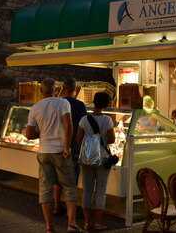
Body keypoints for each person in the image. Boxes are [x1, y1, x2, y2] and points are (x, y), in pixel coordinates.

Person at [25, 78, 80, 233]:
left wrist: (41, 133)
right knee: (69, 187)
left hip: (44, 152)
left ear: (41, 91)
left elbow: (29, 134)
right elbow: (68, 125)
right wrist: (66, 147)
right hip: (60, 152)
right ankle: (71, 224)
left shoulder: (35, 107)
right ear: (56, 90)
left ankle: (49, 227)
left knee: (45, 190)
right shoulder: (63, 103)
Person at [76, 92, 115, 231]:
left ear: (94, 102)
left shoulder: (84, 119)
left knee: (87, 190)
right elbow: (112, 140)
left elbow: (78, 139)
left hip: (86, 158)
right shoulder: (108, 120)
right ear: (106, 104)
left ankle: (87, 222)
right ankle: (98, 222)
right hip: (103, 158)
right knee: (100, 190)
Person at [53, 78, 87, 215]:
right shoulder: (80, 105)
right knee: (71, 180)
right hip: (73, 146)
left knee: (57, 178)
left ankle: (56, 206)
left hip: (56, 145)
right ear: (75, 89)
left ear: (63, 88)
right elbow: (83, 125)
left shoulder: (56, 103)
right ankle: (70, 210)